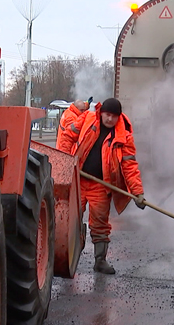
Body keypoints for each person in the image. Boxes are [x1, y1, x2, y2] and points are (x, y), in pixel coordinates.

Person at [58, 98, 146, 274]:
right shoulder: (87, 119)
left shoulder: (124, 137)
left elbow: (130, 166)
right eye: (107, 115)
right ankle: (63, 256)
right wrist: (64, 162)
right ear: (101, 112)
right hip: (78, 180)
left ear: (119, 117)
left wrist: (137, 192)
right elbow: (67, 136)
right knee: (69, 218)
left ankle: (100, 260)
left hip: (101, 185)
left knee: (100, 223)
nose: (110, 119)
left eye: (114, 116)